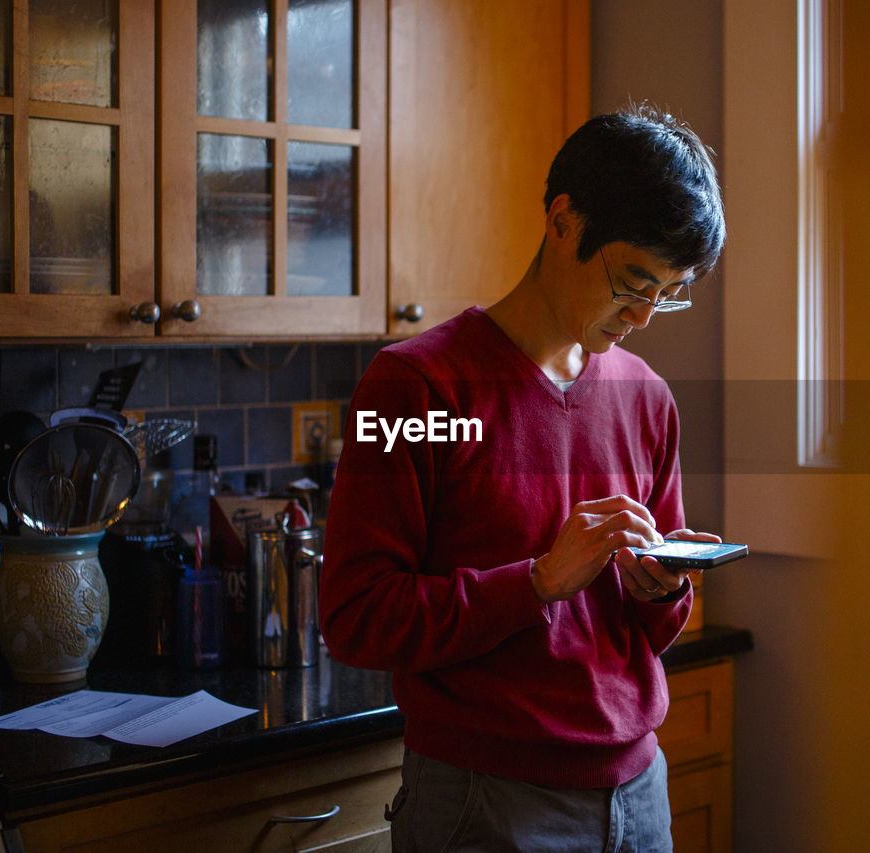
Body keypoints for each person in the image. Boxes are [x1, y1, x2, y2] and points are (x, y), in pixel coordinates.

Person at [320, 102, 726, 852]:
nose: (641, 317)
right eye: (634, 282)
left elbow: (646, 635)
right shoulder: (415, 389)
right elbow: (355, 615)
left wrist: (665, 586)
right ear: (563, 221)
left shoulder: (648, 399)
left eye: (667, 293)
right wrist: (536, 581)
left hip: (641, 797)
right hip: (488, 804)